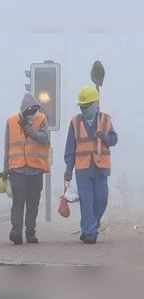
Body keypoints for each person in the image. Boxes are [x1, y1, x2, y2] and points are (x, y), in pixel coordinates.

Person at [64, 85, 118, 244]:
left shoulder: (105, 120)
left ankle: (91, 224)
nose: (83, 108)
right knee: (86, 202)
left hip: (101, 168)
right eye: (81, 106)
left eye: (86, 106)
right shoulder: (75, 122)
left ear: (95, 104)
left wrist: (105, 137)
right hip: (83, 169)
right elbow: (70, 148)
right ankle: (89, 232)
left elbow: (114, 140)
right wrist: (68, 168)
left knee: (101, 199)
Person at [4, 93, 50, 245]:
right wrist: (5, 171)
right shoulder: (11, 122)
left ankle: (30, 233)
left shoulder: (42, 119)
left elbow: (45, 140)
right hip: (17, 170)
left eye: (34, 111)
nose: (32, 114)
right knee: (18, 202)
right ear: (23, 111)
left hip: (36, 169)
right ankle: (16, 232)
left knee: (33, 204)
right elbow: (7, 147)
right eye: (28, 112)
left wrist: (30, 130)